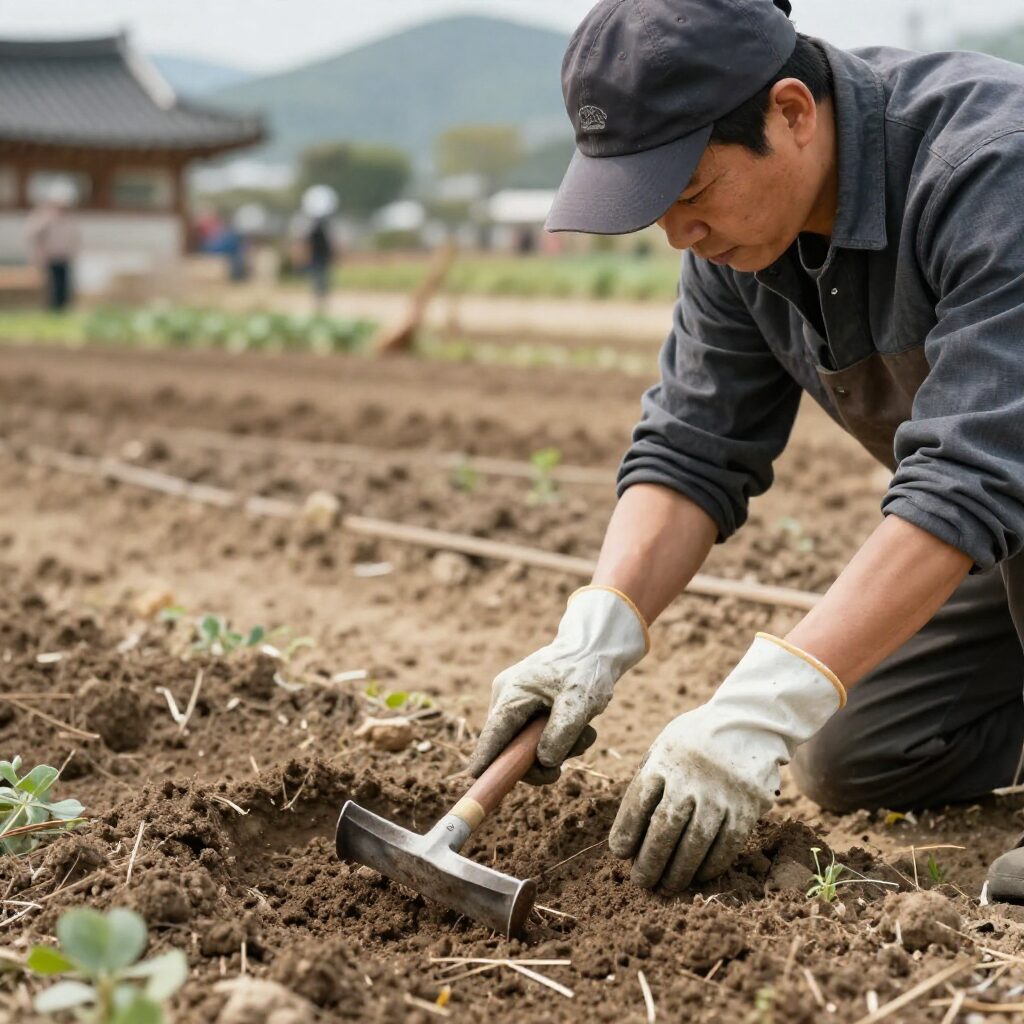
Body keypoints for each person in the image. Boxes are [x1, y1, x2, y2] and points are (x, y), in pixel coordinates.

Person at [467, 0, 1024, 901]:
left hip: (1008, 486)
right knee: (861, 755)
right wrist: (596, 634)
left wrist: (760, 702)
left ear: (793, 113)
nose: (679, 235)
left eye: (689, 193)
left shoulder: (993, 170)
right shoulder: (741, 246)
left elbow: (971, 476)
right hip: (1011, 516)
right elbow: (692, 447)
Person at [24, 180, 80, 311]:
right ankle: (51, 310)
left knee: (64, 286)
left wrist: (73, 251)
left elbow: (74, 237)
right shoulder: (43, 216)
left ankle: (62, 309)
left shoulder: (68, 218)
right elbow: (33, 234)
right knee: (52, 287)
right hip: (49, 257)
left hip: (64, 257)